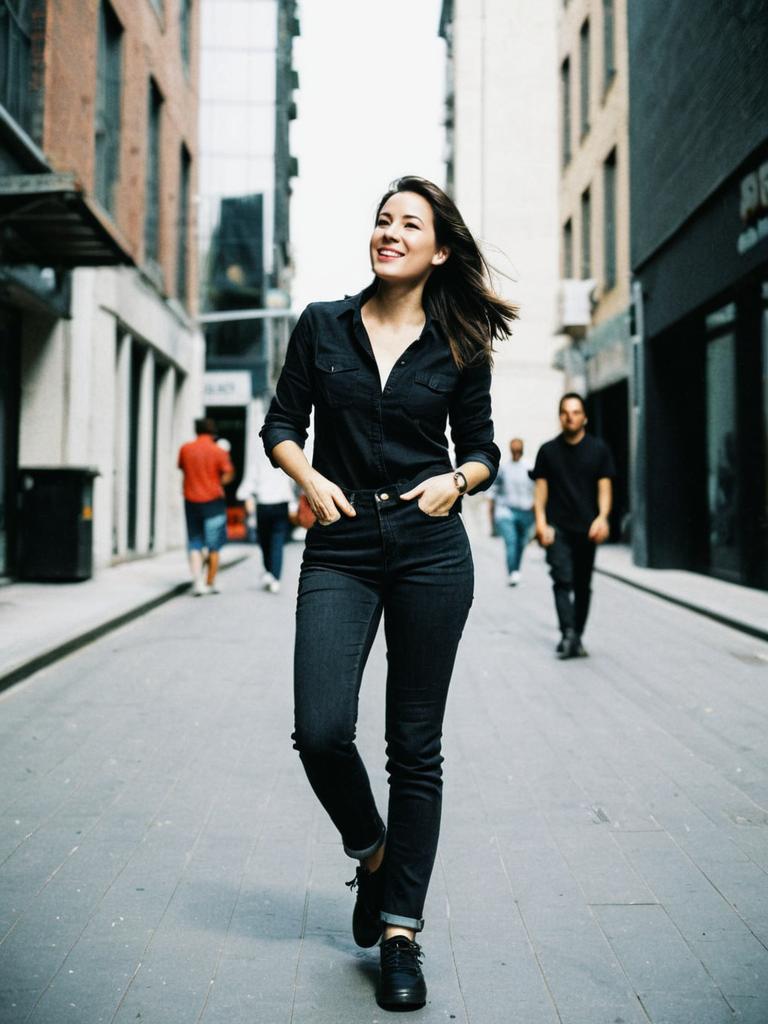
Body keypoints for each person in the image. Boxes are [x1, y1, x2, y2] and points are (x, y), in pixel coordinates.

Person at [260, 176, 517, 1011]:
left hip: (429, 545)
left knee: (416, 747)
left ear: (439, 249)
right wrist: (306, 474)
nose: (389, 231)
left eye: (410, 223)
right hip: (340, 542)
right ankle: (371, 854)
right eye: (382, 219)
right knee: (322, 730)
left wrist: (458, 481)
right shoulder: (321, 325)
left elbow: (483, 449)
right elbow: (279, 425)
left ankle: (401, 932)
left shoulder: (459, 340)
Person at [532, 393, 615, 658]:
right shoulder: (547, 451)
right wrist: (541, 524)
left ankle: (575, 635)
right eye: (566, 412)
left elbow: (605, 487)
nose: (571, 416)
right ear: (560, 417)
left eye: (576, 412)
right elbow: (540, 492)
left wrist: (602, 518)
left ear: (585, 417)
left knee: (582, 585)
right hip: (558, 528)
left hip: (587, 529)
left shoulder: (598, 450)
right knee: (561, 580)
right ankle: (568, 634)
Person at [177, 417, 234, 595]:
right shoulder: (218, 451)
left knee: (194, 542)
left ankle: (197, 583)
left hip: (191, 501)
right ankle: (211, 581)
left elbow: (182, 467)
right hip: (213, 502)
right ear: (212, 431)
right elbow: (228, 473)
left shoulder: (185, 449)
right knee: (213, 545)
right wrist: (219, 483)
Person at [236, 448, 295, 594]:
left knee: (265, 542)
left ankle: (270, 572)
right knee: (277, 542)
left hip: (264, 506)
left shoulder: (258, 463)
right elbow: (292, 485)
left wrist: (247, 498)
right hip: (282, 505)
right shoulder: (286, 461)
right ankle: (274, 577)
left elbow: (245, 490)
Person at [489, 437, 535, 585]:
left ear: (522, 450)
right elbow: (493, 492)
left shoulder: (529, 467)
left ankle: (516, 568)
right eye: (513, 450)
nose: (516, 453)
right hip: (506, 511)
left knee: (521, 542)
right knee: (511, 541)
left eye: (518, 450)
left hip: (525, 511)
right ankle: (512, 572)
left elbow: (539, 487)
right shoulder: (504, 468)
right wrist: (492, 518)